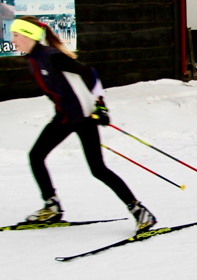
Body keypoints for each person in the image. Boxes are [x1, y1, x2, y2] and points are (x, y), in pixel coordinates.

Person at [9, 16, 156, 230]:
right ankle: (52, 206)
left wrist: (101, 106)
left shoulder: (51, 57)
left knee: (98, 169)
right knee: (36, 156)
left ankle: (140, 212)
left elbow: (89, 73)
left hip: (84, 118)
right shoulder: (33, 61)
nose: (13, 40)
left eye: (16, 35)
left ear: (29, 35)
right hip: (64, 118)